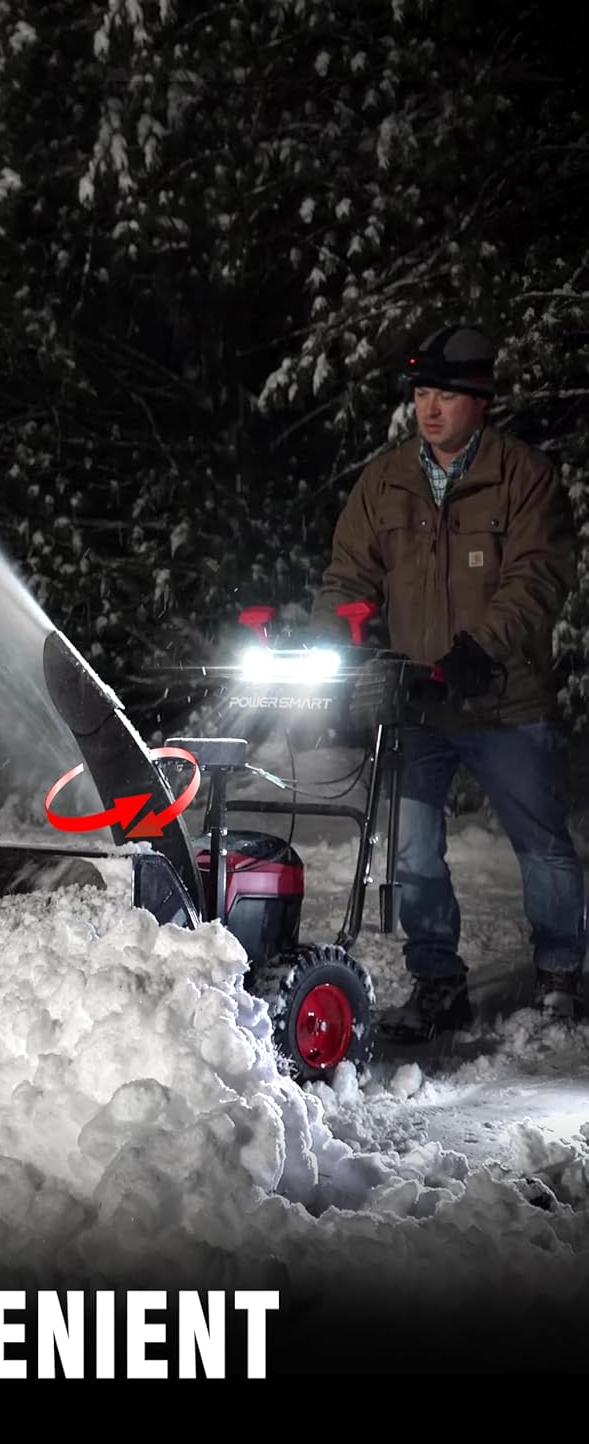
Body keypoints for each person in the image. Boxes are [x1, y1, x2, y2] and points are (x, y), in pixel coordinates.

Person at [310, 323, 586, 1038]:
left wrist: (473, 653)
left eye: (446, 396)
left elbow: (537, 580)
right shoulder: (387, 479)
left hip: (502, 700)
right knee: (410, 849)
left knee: (543, 845)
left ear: (481, 400)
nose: (430, 409)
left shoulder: (524, 477)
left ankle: (560, 975)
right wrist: (348, 647)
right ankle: (437, 981)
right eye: (422, 394)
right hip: (418, 705)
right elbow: (347, 575)